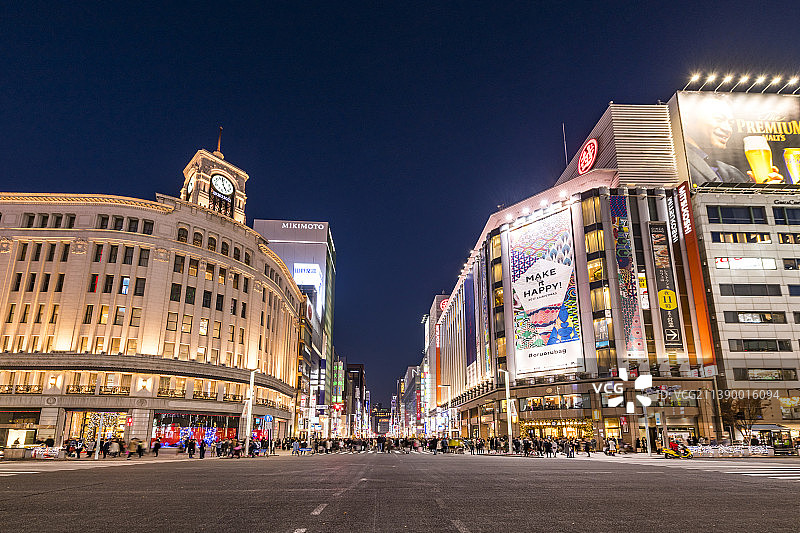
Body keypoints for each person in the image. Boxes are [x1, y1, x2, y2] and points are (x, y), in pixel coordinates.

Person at [682, 93, 783, 185]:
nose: (728, 129)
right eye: (719, 119)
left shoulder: (732, 171)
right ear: (688, 119)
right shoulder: (678, 165)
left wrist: (762, 189)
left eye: (730, 123)